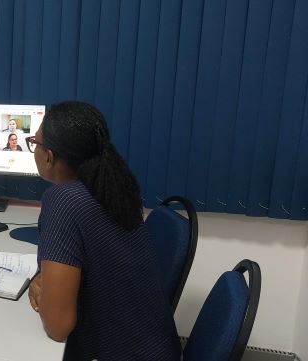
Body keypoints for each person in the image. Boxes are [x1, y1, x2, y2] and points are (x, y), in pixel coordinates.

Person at [27, 101, 180, 360]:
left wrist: (44, 290)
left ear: (49, 156)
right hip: (155, 346)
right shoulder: (113, 189)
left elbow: (57, 327)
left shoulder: (62, 201)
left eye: (35, 143)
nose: (34, 149)